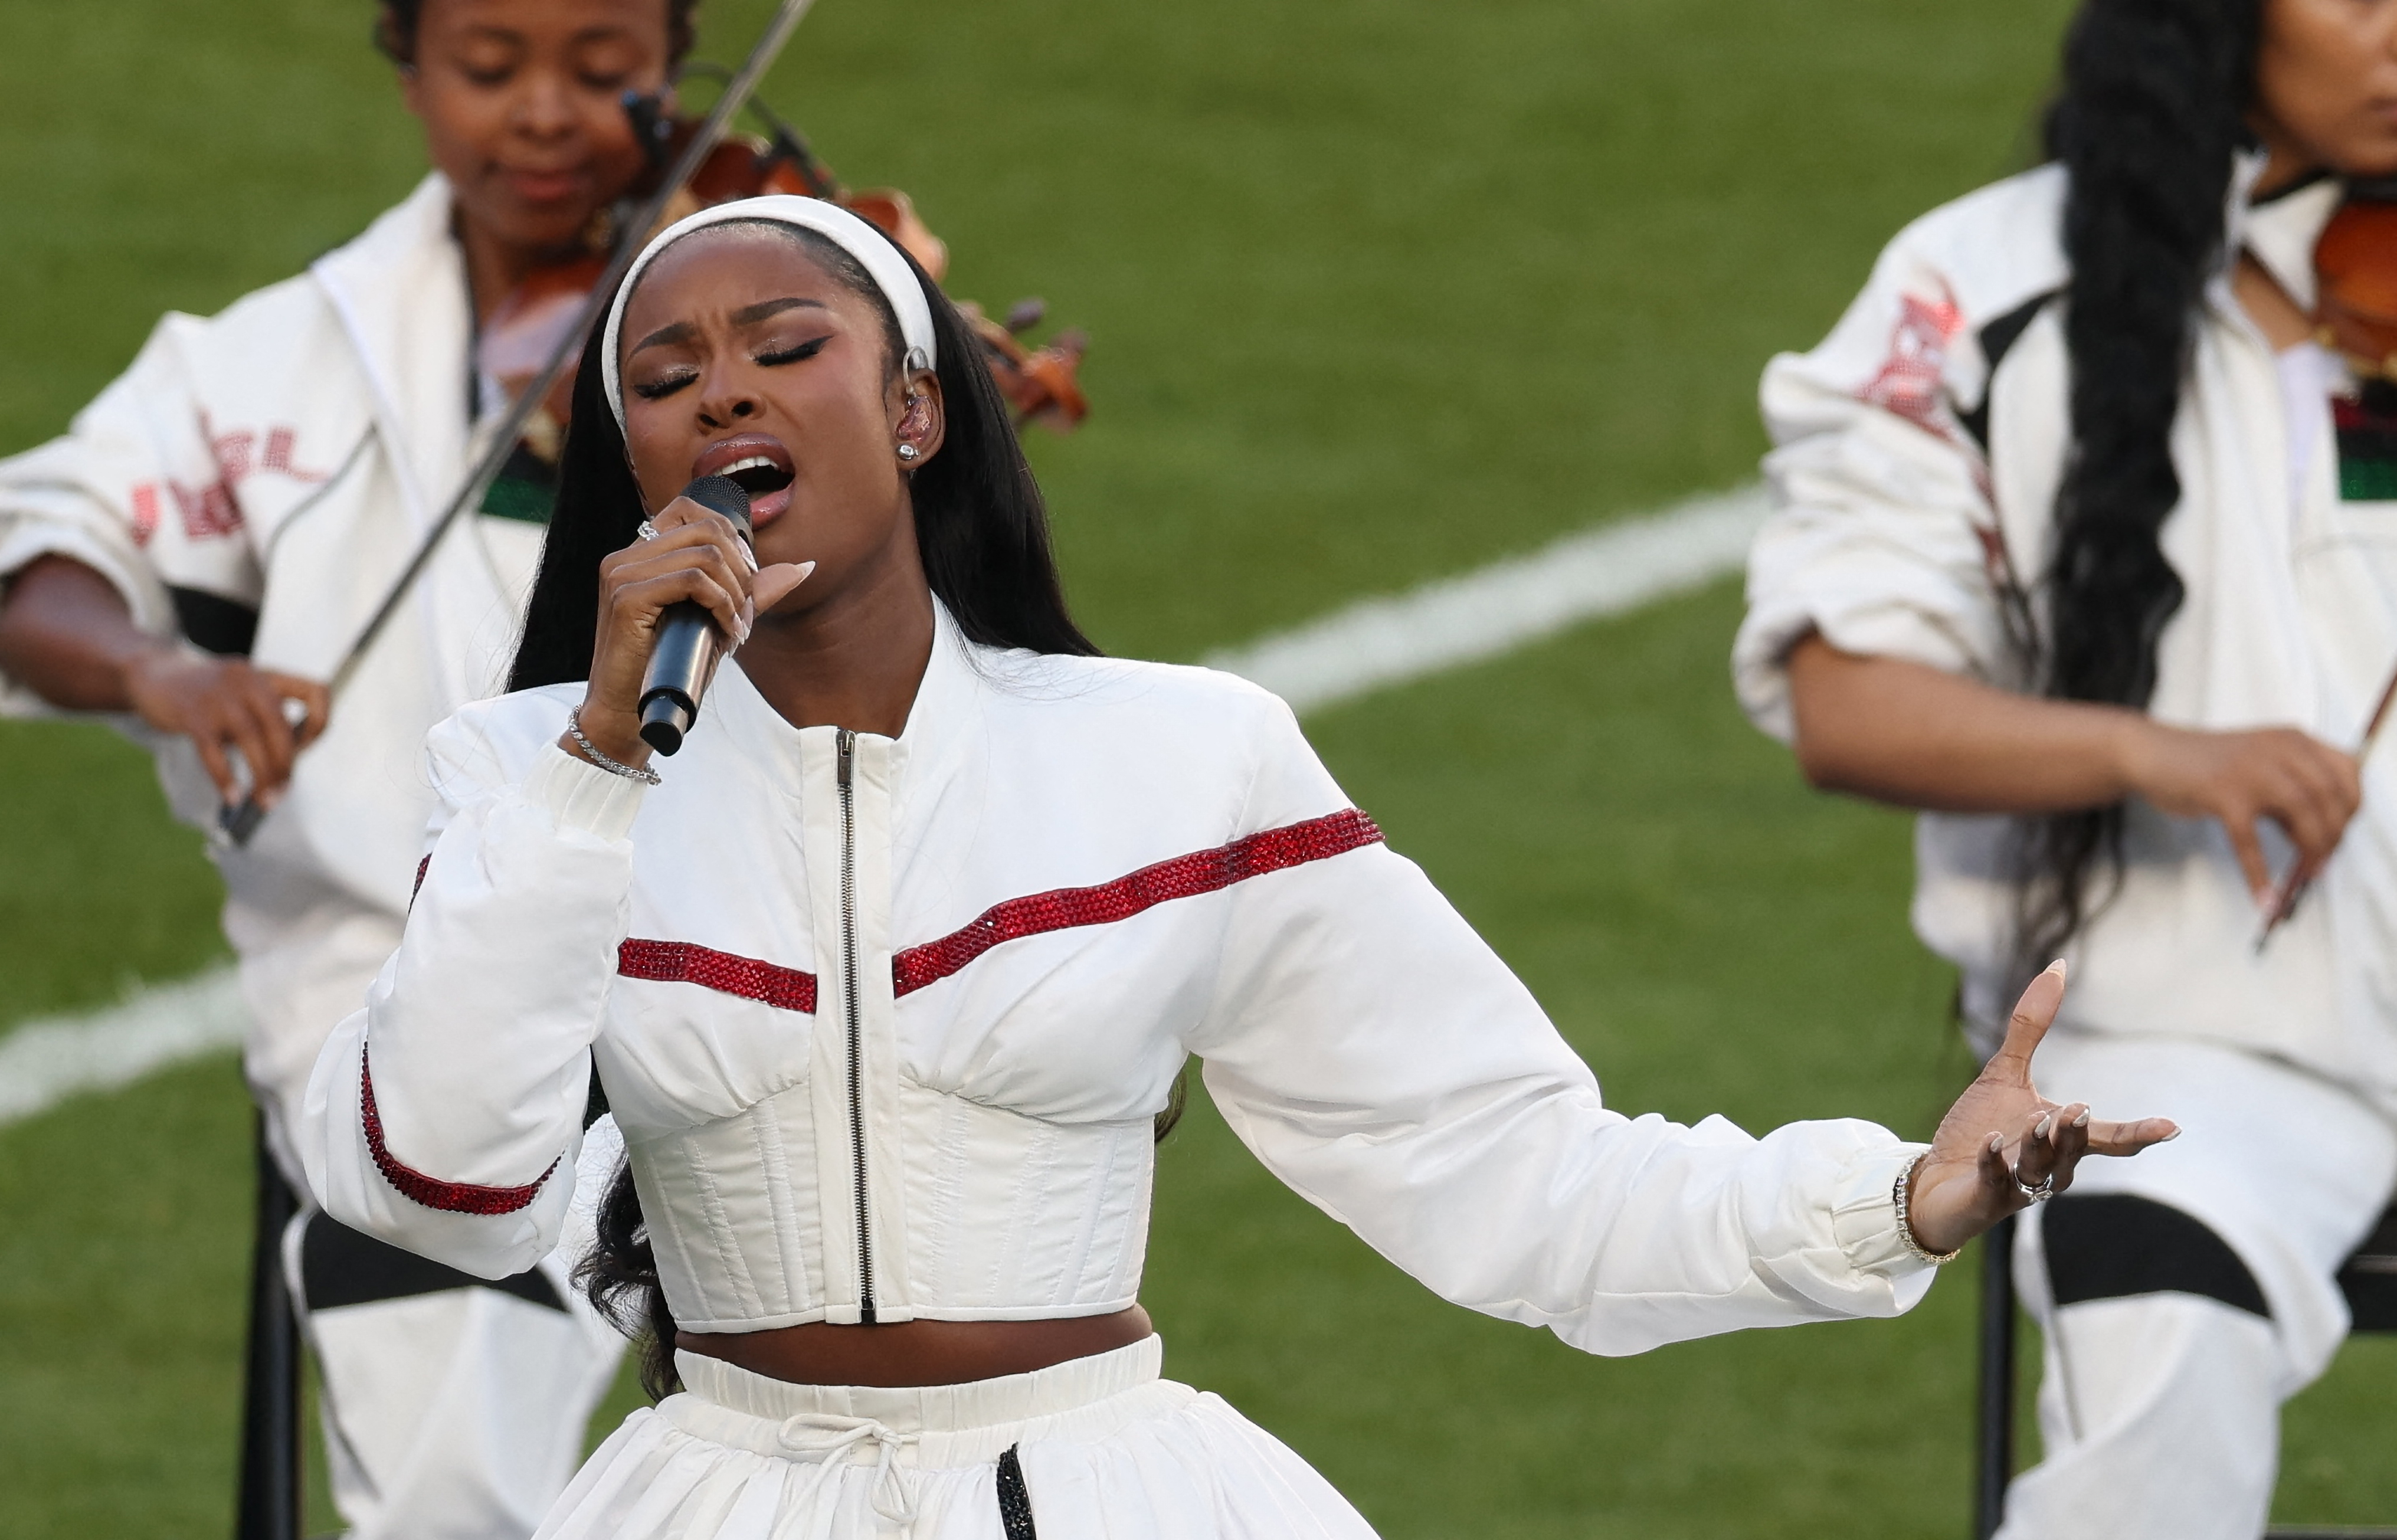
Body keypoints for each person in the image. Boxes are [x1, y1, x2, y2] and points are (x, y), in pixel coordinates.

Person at [293, 194, 2174, 1539]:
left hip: (1103, 1488)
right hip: (717, 1490)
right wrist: (601, 758)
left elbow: (1514, 1178)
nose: (724, 400)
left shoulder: (1181, 760)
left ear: (920, 407)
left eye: (788, 352)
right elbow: (441, 1184)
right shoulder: (537, 781)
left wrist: (1898, 1199)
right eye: (665, 380)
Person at [0, 1, 709, 1531]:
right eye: (489, 64)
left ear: (679, 64)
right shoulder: (271, 366)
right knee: (451, 1501)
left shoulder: (739, 311)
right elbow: (33, 560)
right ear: (407, 62)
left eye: (603, 72)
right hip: (408, 1004)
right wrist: (159, 665)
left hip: (737, 974)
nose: (542, 115)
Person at [1733, 1, 2397, 1534]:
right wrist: (2152, 749)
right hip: (2200, 1050)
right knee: (2147, 1269)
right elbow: (1845, 700)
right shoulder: (1978, 292)